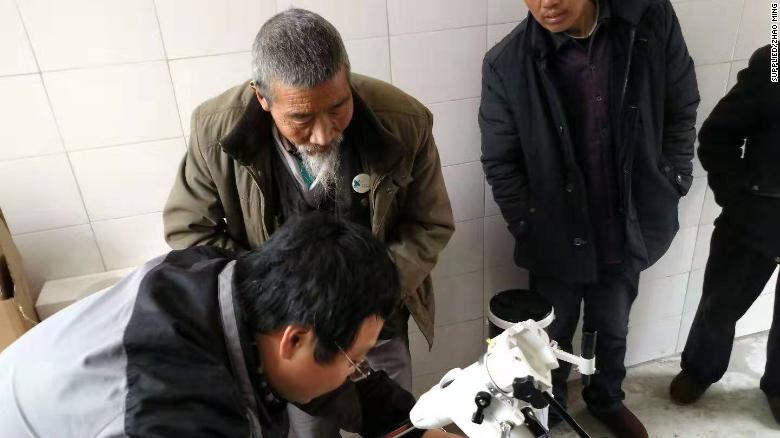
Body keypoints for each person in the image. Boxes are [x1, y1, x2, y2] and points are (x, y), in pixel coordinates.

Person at [163, 9, 454, 436]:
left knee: (396, 423)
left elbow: (429, 224)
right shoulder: (215, 130)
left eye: (339, 107)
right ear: (262, 99)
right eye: (301, 119)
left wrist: (372, 292)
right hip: (288, 335)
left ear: (347, 78)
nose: (323, 134)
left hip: (378, 322)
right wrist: (275, 295)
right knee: (308, 429)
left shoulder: (404, 121)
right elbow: (190, 232)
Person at [0, 214, 458, 438]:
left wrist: (415, 427)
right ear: (294, 340)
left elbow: (332, 381)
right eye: (354, 361)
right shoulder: (174, 414)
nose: (357, 372)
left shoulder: (233, 278)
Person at [479, 0, 699, 436]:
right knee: (549, 337)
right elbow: (501, 162)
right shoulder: (506, 63)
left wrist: (674, 177)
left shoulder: (649, 19)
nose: (547, 3)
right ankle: (550, 409)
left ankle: (605, 399)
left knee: (613, 324)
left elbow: (681, 103)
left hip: (628, 222)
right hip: (555, 234)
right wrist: (529, 224)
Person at [670, 45, 780, 424]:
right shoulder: (775, 65)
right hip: (755, 214)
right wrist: (738, 196)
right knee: (720, 303)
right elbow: (717, 136)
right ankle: (700, 369)